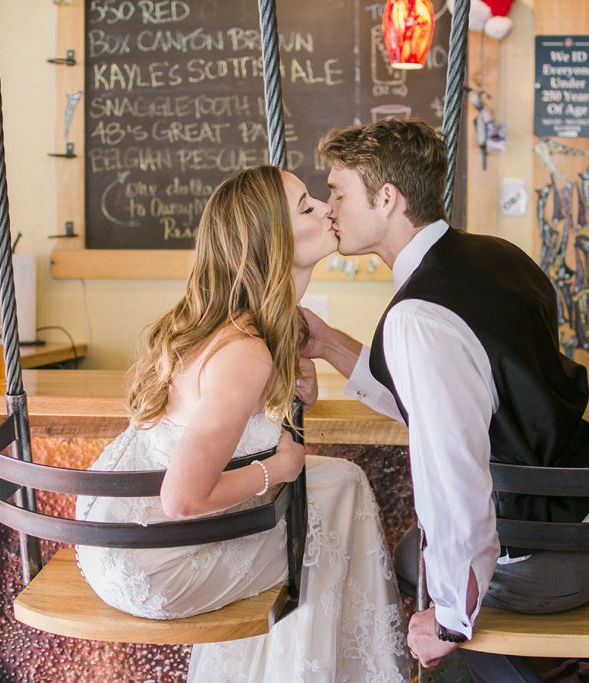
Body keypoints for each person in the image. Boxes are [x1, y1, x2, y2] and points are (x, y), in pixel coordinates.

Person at [303, 119, 589, 682]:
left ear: (387, 198)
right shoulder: (498, 255)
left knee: (424, 570)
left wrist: (449, 622)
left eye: (338, 191)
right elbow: (464, 400)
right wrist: (327, 344)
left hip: (551, 553)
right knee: (438, 567)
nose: (329, 207)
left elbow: (454, 474)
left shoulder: (418, 316)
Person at [75, 165, 410, 683]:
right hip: (151, 564)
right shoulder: (243, 352)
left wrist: (293, 382)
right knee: (324, 520)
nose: (327, 209)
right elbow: (182, 500)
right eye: (306, 207)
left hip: (128, 535)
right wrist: (279, 467)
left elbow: (241, 425)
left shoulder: (248, 332)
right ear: (270, 240)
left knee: (339, 482)